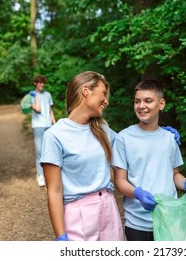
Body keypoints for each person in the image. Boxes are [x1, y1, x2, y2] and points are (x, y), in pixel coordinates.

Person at [112, 79, 186, 241]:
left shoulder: (170, 138)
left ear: (161, 104)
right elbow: (119, 180)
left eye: (148, 101)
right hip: (138, 223)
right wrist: (137, 193)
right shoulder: (123, 138)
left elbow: (174, 175)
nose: (141, 106)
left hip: (169, 219)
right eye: (137, 101)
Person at [40, 71, 123, 241]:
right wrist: (60, 234)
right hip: (78, 215)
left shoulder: (103, 130)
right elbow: (54, 191)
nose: (106, 101)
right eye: (103, 94)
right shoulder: (54, 136)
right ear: (86, 91)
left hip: (108, 208)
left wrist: (157, 131)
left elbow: (130, 144)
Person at [30, 74, 56, 187]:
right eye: (39, 82)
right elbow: (37, 109)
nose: (42, 84)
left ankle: (49, 175)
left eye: (43, 82)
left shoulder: (48, 95)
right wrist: (35, 96)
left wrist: (55, 124)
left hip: (48, 126)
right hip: (38, 126)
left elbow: (50, 110)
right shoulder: (30, 96)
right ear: (35, 83)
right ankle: (40, 176)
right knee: (39, 152)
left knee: (49, 151)